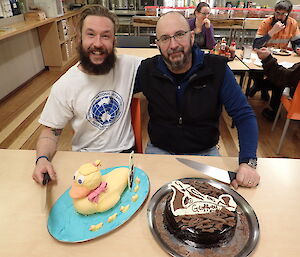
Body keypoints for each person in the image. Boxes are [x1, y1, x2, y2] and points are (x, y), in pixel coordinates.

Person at [134, 12, 260, 189]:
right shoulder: (147, 70)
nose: (173, 45)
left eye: (179, 35)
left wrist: (247, 163)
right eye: (164, 38)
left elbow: (243, 115)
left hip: (205, 154)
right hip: (158, 151)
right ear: (158, 44)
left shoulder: (217, 69)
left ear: (191, 36)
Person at [32, 6, 142, 185]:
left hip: (126, 156)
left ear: (114, 41)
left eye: (105, 36)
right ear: (79, 38)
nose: (97, 43)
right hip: (85, 160)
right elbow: (50, 132)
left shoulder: (129, 65)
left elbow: (165, 66)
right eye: (91, 34)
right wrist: (42, 159)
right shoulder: (65, 85)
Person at [249, 0, 300, 120]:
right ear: (274, 12)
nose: (279, 16)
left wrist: (298, 48)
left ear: (288, 14)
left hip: (282, 58)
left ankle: (269, 102)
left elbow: (297, 42)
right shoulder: (266, 22)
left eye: (283, 14)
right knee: (256, 72)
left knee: (280, 80)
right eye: (277, 13)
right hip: (263, 57)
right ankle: (259, 85)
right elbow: (256, 45)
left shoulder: (292, 24)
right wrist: (272, 32)